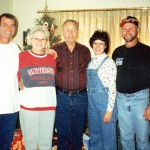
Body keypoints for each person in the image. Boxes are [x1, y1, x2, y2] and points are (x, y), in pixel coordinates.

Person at [51, 19, 91, 150]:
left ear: (77, 32)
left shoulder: (85, 51)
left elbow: (90, 74)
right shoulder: (54, 49)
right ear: (62, 31)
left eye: (73, 29)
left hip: (81, 97)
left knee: (77, 134)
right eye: (67, 29)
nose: (70, 33)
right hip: (61, 97)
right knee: (62, 134)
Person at [112, 16, 150, 150]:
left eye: (131, 28)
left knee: (142, 140)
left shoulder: (147, 51)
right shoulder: (117, 52)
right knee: (125, 139)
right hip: (121, 100)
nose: (127, 31)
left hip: (141, 100)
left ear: (138, 30)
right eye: (125, 28)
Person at [18, 25, 56, 150]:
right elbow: (11, 72)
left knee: (46, 144)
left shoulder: (52, 57)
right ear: (30, 40)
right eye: (36, 38)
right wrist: (18, 80)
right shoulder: (21, 56)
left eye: (43, 39)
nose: (39, 42)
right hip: (28, 106)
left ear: (47, 41)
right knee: (30, 143)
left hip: (48, 105)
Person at [87, 30, 117, 150]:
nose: (98, 46)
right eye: (95, 43)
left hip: (104, 102)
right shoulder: (91, 62)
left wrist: (109, 110)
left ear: (105, 46)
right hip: (91, 102)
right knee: (94, 135)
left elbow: (112, 88)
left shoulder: (109, 63)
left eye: (101, 43)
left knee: (108, 138)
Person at [0, 13, 20, 149]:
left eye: (12, 25)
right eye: (5, 24)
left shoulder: (16, 48)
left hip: (12, 106)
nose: (9, 28)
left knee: (6, 144)